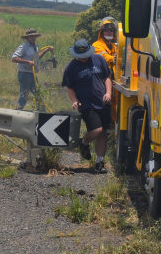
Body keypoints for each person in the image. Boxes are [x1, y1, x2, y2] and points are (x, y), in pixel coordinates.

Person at [62, 38, 113, 173]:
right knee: (97, 130)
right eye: (81, 57)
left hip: (103, 102)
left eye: (85, 56)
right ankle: (84, 142)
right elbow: (70, 88)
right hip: (86, 104)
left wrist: (108, 92)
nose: (83, 59)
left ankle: (99, 162)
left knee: (103, 133)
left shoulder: (99, 60)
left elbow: (107, 78)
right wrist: (74, 100)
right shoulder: (71, 67)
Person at [10, 28, 54, 110]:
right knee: (24, 95)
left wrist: (46, 50)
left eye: (34, 36)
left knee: (38, 93)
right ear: (27, 38)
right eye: (31, 37)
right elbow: (14, 58)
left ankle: (41, 112)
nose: (33, 38)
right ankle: (18, 111)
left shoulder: (35, 46)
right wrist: (27, 62)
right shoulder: (23, 47)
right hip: (24, 74)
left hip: (32, 74)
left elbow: (37, 57)